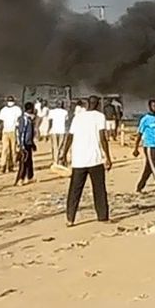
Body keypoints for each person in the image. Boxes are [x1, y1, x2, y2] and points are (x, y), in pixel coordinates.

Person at [66, 96, 112, 226]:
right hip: (95, 159)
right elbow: (103, 138)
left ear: (87, 104)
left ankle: (70, 218)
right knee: (99, 189)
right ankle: (102, 216)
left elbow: (70, 136)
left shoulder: (78, 117)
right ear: (98, 105)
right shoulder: (99, 116)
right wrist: (107, 157)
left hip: (78, 159)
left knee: (74, 190)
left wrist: (63, 154)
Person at [133, 100, 155, 194]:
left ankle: (140, 186)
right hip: (149, 145)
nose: (154, 107)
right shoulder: (145, 119)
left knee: (148, 168)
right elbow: (139, 134)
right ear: (149, 106)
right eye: (152, 105)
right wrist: (136, 148)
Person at [15, 102, 37, 185]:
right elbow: (22, 133)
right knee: (23, 162)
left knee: (29, 161)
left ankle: (30, 177)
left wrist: (32, 144)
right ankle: (20, 179)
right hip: (24, 144)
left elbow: (30, 133)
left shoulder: (29, 119)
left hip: (28, 143)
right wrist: (22, 146)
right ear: (30, 109)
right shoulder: (24, 119)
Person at [0, 97, 22, 173]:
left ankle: (9, 165)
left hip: (12, 130)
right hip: (8, 131)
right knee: (7, 149)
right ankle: (4, 165)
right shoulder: (5, 110)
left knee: (11, 150)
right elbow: (2, 121)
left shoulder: (15, 109)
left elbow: (1, 121)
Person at [47, 100, 70, 167]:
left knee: (55, 146)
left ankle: (55, 161)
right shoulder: (65, 112)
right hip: (61, 130)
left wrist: (49, 129)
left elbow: (50, 121)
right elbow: (66, 120)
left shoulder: (52, 111)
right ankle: (58, 160)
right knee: (60, 146)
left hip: (54, 130)